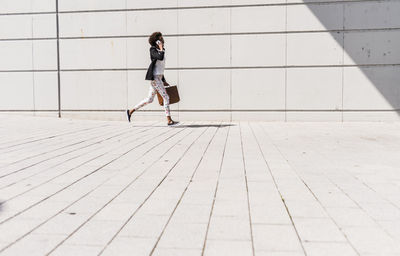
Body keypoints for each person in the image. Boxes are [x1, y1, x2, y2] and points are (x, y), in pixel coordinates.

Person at [126, 32, 177, 126]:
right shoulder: (153, 50)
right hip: (155, 78)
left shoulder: (162, 50)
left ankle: (130, 111)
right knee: (166, 97)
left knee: (149, 99)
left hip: (159, 77)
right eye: (160, 39)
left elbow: (160, 67)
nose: (162, 40)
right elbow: (160, 58)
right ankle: (169, 120)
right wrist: (161, 48)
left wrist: (163, 80)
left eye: (162, 39)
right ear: (156, 41)